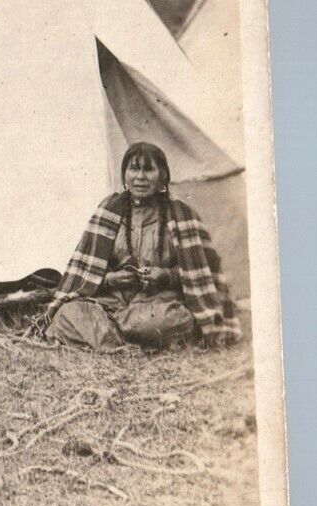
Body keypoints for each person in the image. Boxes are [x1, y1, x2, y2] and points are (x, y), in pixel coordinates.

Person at [43, 142, 241, 351]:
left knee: (170, 320)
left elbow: (202, 275)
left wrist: (165, 276)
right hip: (114, 301)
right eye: (134, 169)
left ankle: (107, 337)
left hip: (159, 301)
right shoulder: (109, 211)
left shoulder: (182, 216)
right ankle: (130, 339)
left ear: (163, 176)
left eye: (148, 169)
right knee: (67, 314)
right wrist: (109, 279)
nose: (140, 177)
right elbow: (87, 270)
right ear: (125, 175)